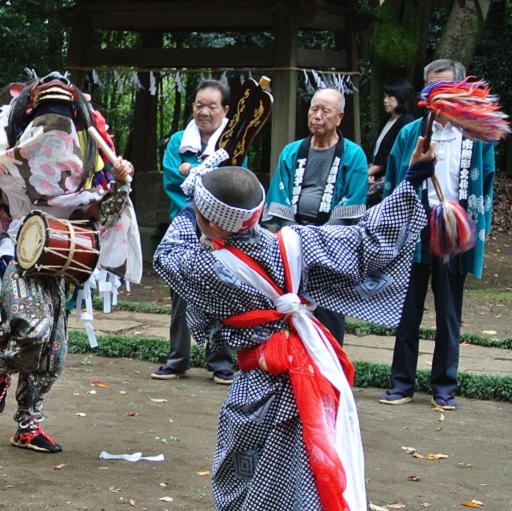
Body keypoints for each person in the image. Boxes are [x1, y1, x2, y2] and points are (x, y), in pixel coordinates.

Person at [154, 138, 436, 511]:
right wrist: (412, 182)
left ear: (209, 222)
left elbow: (168, 254)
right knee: (315, 492)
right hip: (314, 384)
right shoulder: (296, 244)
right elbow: (371, 240)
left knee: (246, 501)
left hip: (261, 392)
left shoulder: (205, 266)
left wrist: (191, 186)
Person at [0, 72, 140, 453]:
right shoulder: (4, 166)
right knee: (33, 328)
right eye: (47, 119)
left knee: (54, 352)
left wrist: (123, 183)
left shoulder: (80, 183)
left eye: (62, 121)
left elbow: (105, 214)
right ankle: (0, 366)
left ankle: (28, 425)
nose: (55, 131)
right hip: (19, 254)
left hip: (60, 264)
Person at [378, 59, 497, 411]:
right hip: (415, 225)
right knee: (407, 307)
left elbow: (485, 186)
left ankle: (444, 386)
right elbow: (393, 183)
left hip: (454, 227)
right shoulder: (410, 132)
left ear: (462, 89)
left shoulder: (475, 136)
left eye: (445, 87)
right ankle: (401, 382)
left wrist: (476, 232)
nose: (437, 94)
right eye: (431, 87)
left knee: (448, 310)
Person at [262, 88, 368, 343]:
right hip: (291, 241)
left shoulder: (353, 155)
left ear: (339, 117)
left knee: (329, 314)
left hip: (332, 244)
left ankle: (331, 372)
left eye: (325, 110)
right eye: (313, 109)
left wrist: (318, 239)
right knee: (288, 310)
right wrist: (295, 234)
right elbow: (279, 194)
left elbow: (353, 201)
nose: (317, 116)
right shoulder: (291, 151)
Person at [152, 79, 237, 385]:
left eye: (211, 106)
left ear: (225, 110)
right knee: (180, 294)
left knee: (221, 291)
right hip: (185, 225)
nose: (204, 111)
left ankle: (221, 362)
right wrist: (197, 203)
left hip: (221, 230)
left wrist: (196, 175)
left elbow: (235, 180)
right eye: (199, 105)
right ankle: (177, 360)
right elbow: (173, 181)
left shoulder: (234, 141)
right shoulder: (178, 141)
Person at [367, 78, 416, 206]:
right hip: (375, 175)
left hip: (390, 179)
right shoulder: (386, 121)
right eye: (384, 96)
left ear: (402, 97)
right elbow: (377, 152)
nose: (385, 100)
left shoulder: (407, 122)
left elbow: (393, 156)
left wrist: (367, 173)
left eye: (390, 96)